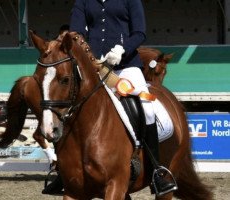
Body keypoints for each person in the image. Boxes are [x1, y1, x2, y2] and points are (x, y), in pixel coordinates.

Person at [43, 0, 177, 196]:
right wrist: (89, 55)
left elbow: (139, 32)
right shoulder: (84, 1)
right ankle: (64, 171)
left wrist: (122, 49)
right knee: (69, 107)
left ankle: (157, 170)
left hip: (126, 66)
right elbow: (76, 33)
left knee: (147, 108)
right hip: (94, 66)